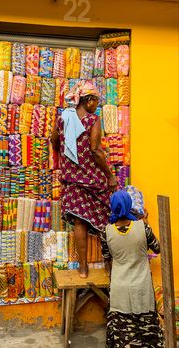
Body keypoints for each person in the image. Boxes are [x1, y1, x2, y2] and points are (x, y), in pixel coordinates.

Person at [51, 80, 117, 278]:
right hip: (91, 176)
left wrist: (67, 154)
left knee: (80, 222)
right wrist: (110, 176)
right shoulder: (92, 120)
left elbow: (54, 141)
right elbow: (96, 150)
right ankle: (108, 264)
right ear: (88, 101)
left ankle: (82, 268)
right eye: (96, 101)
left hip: (71, 177)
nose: (96, 105)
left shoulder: (63, 118)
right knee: (107, 216)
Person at [100, 190, 164, 347]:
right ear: (129, 206)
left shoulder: (106, 232)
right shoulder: (143, 228)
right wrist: (146, 224)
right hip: (142, 287)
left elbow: (107, 259)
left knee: (122, 335)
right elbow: (158, 248)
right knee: (146, 334)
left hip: (119, 288)